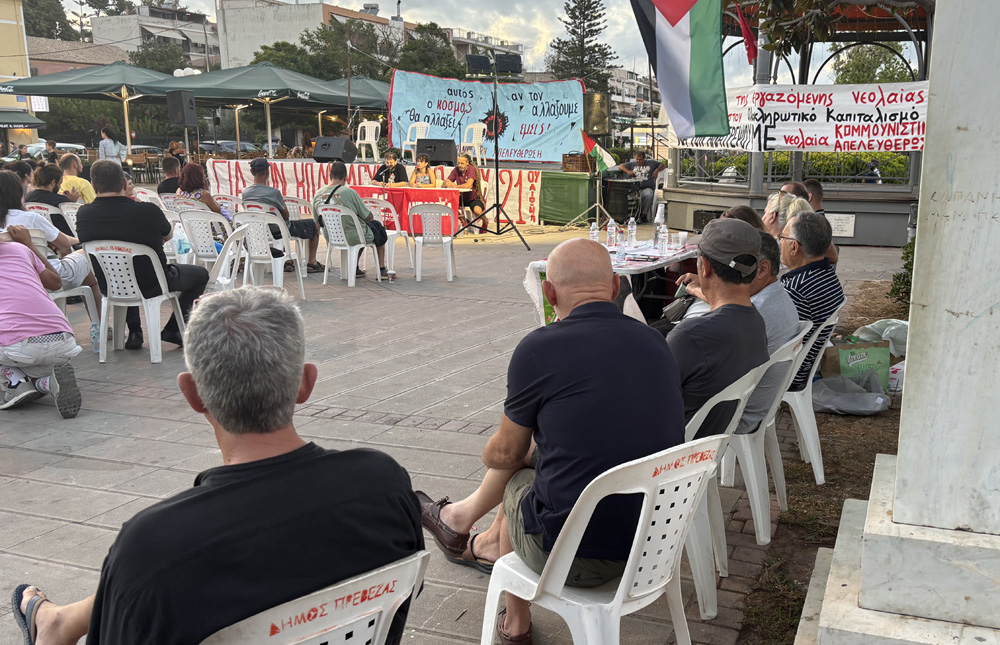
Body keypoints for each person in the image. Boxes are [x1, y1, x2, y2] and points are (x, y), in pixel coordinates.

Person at [11, 287, 425, 645]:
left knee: (148, 580)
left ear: (192, 394)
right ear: (305, 384)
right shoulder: (383, 485)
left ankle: (58, 623)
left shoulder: (153, 544)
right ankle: (61, 621)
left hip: (159, 567)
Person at [416, 239, 685, 645]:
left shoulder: (540, 347)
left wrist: (496, 454)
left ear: (549, 292)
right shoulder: (655, 341)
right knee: (540, 458)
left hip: (578, 558)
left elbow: (505, 452)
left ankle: (516, 621)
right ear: (615, 287)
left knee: (518, 474)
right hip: (654, 545)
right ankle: (469, 531)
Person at [77, 160, 209, 350]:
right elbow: (168, 235)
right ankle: (173, 329)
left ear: (93, 186)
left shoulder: (83, 214)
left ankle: (135, 332)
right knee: (200, 274)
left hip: (110, 283)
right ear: (124, 183)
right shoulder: (147, 211)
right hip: (153, 283)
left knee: (124, 269)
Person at [669, 218, 769, 438]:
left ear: (705, 266)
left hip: (676, 449)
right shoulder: (756, 321)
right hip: (714, 442)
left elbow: (649, 398)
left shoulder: (691, 336)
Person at [0, 171, 103, 324]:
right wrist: (79, 240)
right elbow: (64, 243)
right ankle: (98, 327)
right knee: (86, 257)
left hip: (13, 280)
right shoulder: (30, 218)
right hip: (48, 276)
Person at [0, 224, 82, 418]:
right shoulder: (21, 249)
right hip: (62, 342)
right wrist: (29, 245)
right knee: (32, 364)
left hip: (18, 348)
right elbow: (55, 282)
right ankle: (46, 383)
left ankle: (16, 382)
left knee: (19, 354)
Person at [737, 231, 801, 435]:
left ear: (762, 270)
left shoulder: (754, 313)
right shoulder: (776, 295)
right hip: (759, 409)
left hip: (740, 418)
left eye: (732, 267)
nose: (723, 276)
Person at [779, 212, 845, 390]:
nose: (780, 242)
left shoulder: (796, 289)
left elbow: (777, 339)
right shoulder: (827, 274)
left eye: (782, 237)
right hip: (807, 365)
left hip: (791, 374)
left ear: (794, 247)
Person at [241, 157, 324, 273]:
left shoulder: (245, 193)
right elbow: (286, 215)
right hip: (278, 230)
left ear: (251, 171)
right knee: (314, 225)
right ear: (267, 172)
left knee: (278, 223)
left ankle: (287, 261)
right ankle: (312, 261)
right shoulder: (273, 193)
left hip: (258, 229)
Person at [313, 160, 388, 278]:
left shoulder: (318, 194)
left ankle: (355, 267)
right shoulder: (349, 192)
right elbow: (368, 216)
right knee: (377, 228)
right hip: (352, 236)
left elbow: (317, 222)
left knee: (360, 229)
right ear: (345, 177)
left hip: (331, 237)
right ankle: (382, 269)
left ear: (330, 176)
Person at [25, 165, 79, 237]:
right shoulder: (62, 201)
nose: (60, 187)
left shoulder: (28, 197)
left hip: (36, 238)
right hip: (61, 239)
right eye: (60, 183)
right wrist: (71, 203)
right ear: (53, 182)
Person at [444, 152, 489, 233]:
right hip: (461, 197)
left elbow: (469, 185)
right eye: (458, 163)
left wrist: (455, 186)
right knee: (448, 205)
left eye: (462, 163)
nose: (459, 165)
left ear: (467, 163)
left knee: (477, 211)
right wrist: (448, 183)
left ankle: (485, 221)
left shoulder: (471, 169)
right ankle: (464, 220)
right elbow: (447, 181)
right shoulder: (456, 170)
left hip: (473, 198)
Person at [617, 149, 665, 222]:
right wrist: (628, 171)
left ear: (644, 158)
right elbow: (621, 166)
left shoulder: (651, 163)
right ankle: (630, 217)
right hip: (634, 189)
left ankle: (643, 215)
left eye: (640, 160)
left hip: (647, 188)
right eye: (637, 159)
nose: (638, 161)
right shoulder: (633, 164)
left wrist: (657, 170)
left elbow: (663, 165)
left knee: (648, 195)